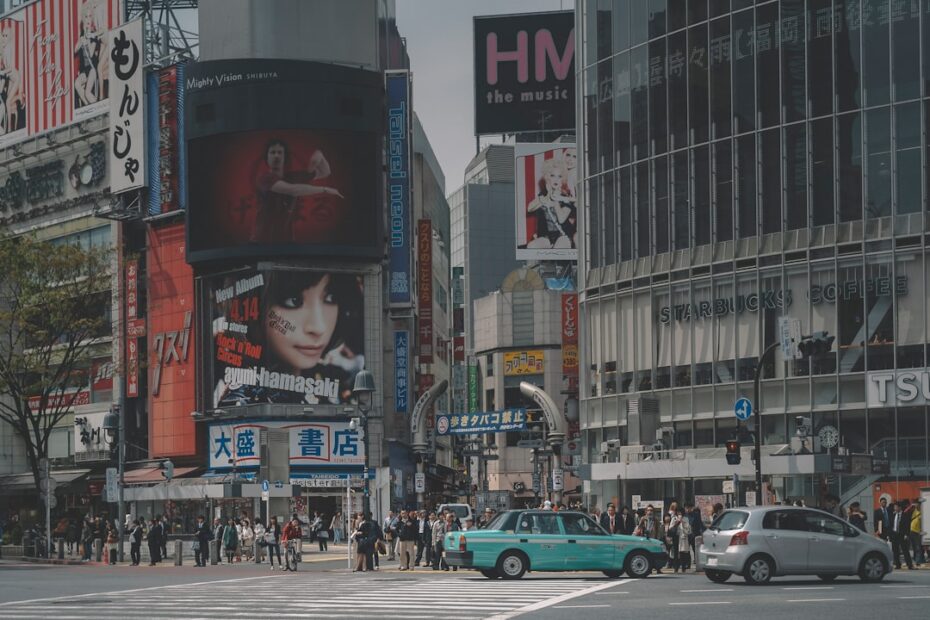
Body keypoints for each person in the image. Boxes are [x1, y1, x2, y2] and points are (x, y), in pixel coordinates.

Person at [215, 270, 365, 407]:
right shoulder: (242, 395)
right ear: (249, 307)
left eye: (331, 298)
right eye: (294, 301)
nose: (319, 327)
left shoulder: (338, 383)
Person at [250, 139, 344, 244]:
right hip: (262, 242)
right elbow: (293, 190)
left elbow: (325, 172)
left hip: (286, 242)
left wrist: (319, 155)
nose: (276, 156)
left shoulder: (293, 177)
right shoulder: (264, 179)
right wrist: (324, 189)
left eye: (280, 152)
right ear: (266, 157)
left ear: (285, 157)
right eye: (272, 152)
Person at [525, 158, 576, 251]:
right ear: (548, 177)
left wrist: (555, 198)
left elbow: (561, 219)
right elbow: (530, 208)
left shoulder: (567, 197)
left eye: (559, 176)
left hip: (563, 235)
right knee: (531, 246)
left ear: (563, 179)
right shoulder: (543, 196)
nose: (556, 179)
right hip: (546, 236)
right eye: (552, 175)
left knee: (558, 249)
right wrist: (548, 195)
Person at [73, 0, 107, 109]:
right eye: (86, 17)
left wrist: (88, 39)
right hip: (84, 70)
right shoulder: (83, 35)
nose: (88, 19)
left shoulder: (93, 34)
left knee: (88, 92)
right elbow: (75, 50)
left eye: (89, 16)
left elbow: (91, 54)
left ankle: (97, 107)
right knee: (77, 84)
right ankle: (88, 107)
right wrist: (82, 40)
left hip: (92, 68)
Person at [890, 501, 915, 570]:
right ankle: (897, 564)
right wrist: (890, 535)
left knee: (905, 550)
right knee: (895, 550)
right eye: (894, 507)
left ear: (899, 507)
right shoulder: (893, 515)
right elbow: (891, 525)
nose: (894, 508)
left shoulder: (905, 515)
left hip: (902, 535)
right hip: (894, 534)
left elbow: (907, 525)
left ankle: (909, 565)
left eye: (896, 507)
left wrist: (906, 534)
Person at [910, 498, 925, 566]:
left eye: (917, 504)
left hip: (918, 532)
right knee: (914, 547)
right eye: (915, 503)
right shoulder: (914, 510)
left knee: (918, 547)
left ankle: (918, 561)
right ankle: (917, 559)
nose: (916, 505)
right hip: (911, 530)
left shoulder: (923, 511)